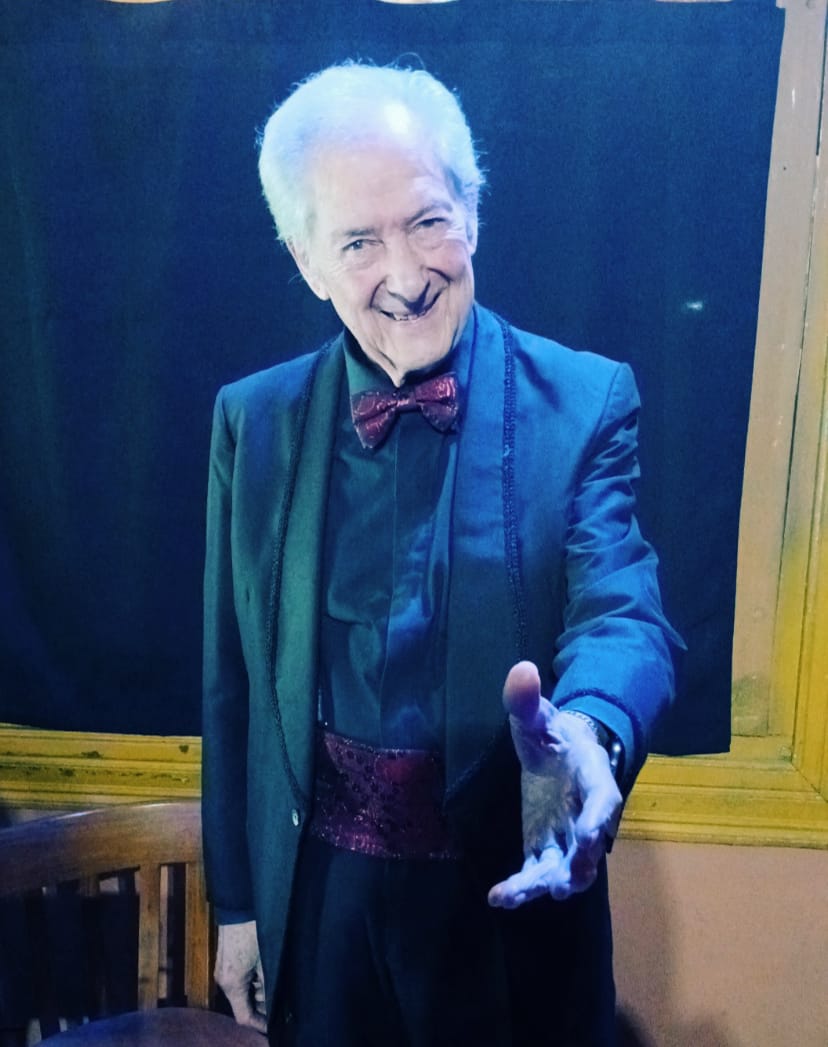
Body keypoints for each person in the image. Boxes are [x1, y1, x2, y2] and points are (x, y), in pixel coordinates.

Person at [202, 61, 681, 1047]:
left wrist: (589, 731)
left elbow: (622, 609)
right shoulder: (251, 421)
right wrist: (238, 905)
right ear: (306, 259)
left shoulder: (587, 400)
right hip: (318, 903)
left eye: (428, 221)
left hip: (501, 902)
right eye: (359, 242)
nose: (407, 275)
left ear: (473, 209)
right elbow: (231, 683)